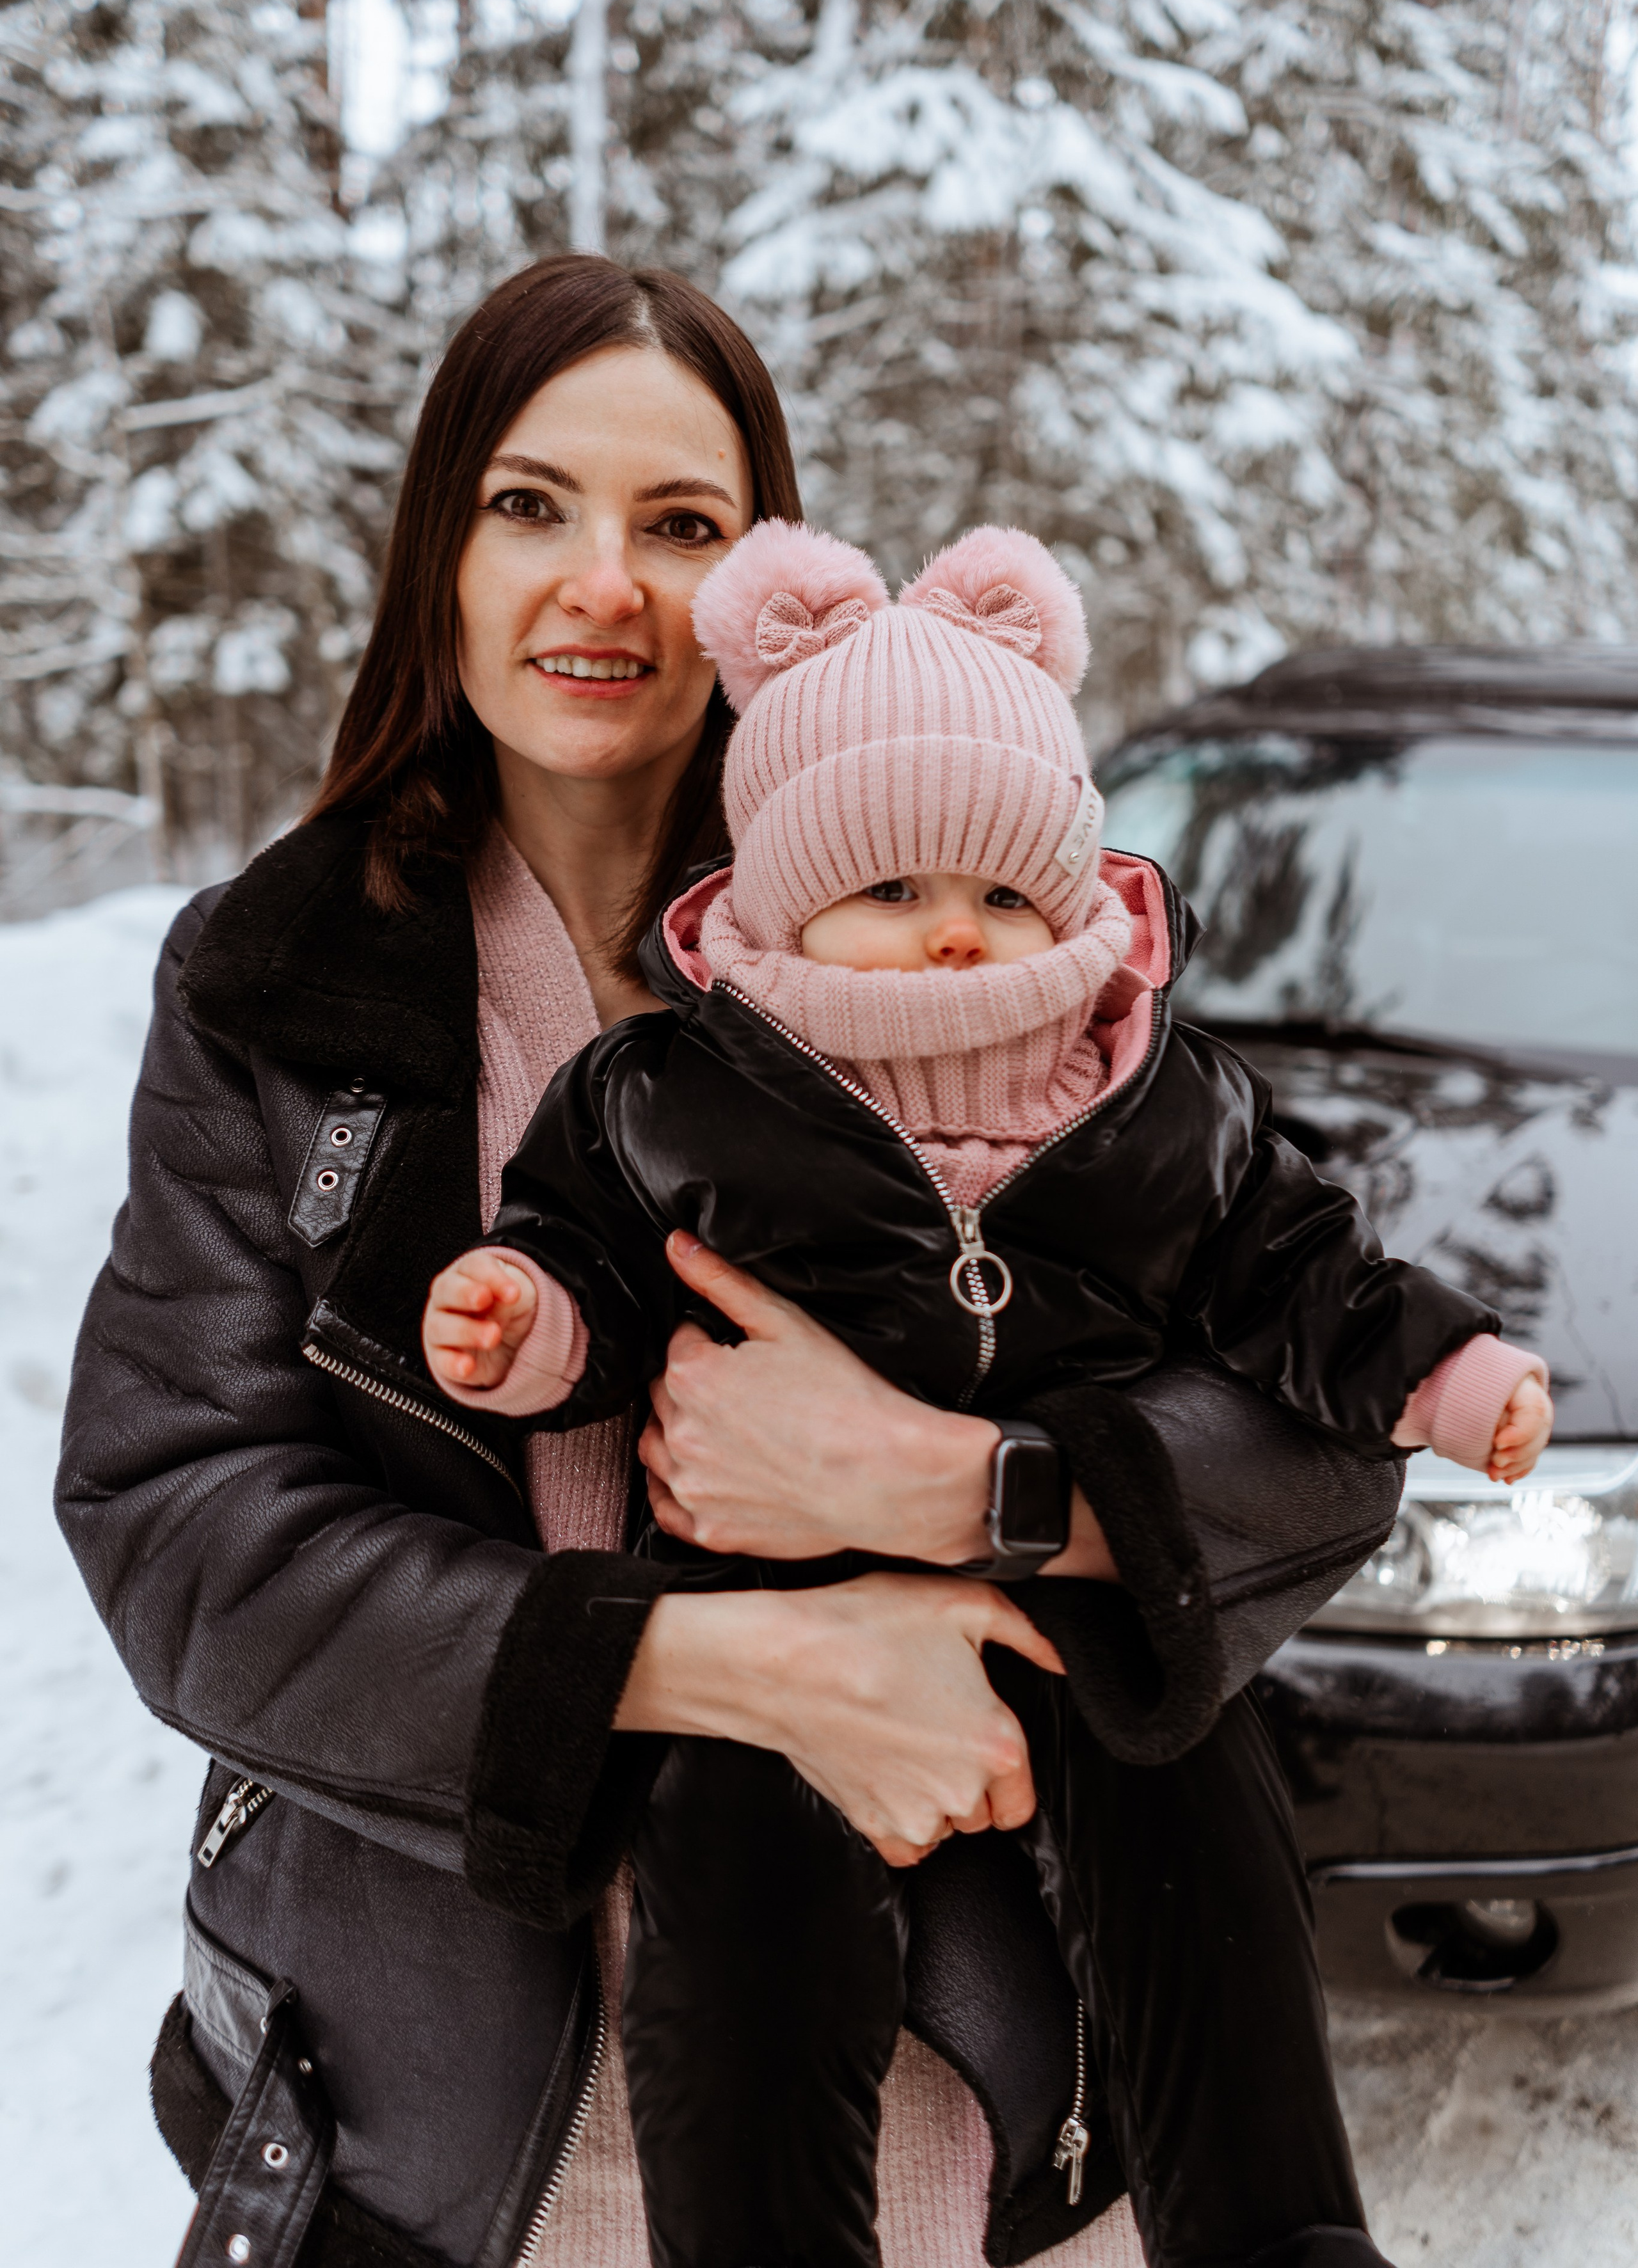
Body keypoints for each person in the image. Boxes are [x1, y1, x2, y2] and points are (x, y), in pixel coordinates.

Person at [58, 253, 1401, 2268]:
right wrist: (724, 1666)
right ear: (439, 551)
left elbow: (1326, 1422)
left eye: (679, 525)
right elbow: (181, 1522)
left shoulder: (951, 921)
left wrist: (970, 1490)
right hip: (451, 2145)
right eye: (531, 505)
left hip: (967, 2106)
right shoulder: (279, 983)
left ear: (761, 581)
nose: (602, 584)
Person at [421, 517, 1552, 2268]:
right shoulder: (682, 1090)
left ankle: (1276, 2231)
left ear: (1071, 890)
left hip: (1078, 1601)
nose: (955, 938)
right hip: (773, 1616)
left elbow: (1299, 1271)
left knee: (1202, 1823)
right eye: (892, 892)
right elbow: (587, 1252)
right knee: (744, 1903)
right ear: (784, 893)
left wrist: (1447, 1370)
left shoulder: (1152, 1092)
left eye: (1003, 893)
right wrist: (531, 1321)